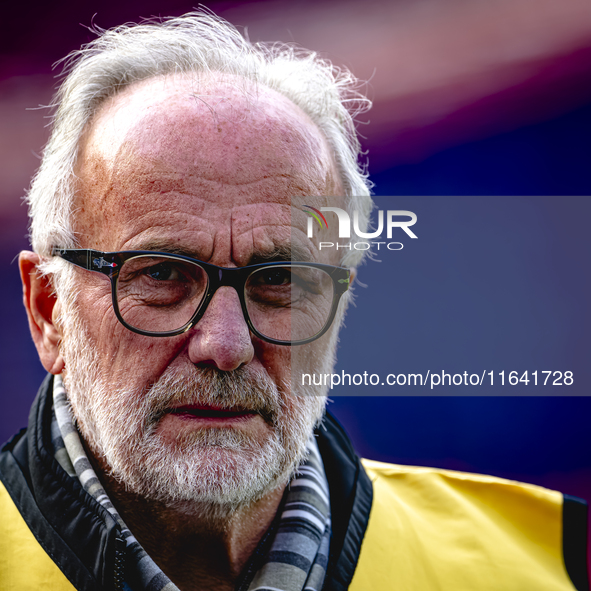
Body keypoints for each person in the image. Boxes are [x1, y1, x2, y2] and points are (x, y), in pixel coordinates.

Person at [0, 11, 588, 591]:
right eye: (161, 275)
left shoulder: (548, 565)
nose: (225, 345)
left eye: (279, 280)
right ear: (48, 311)